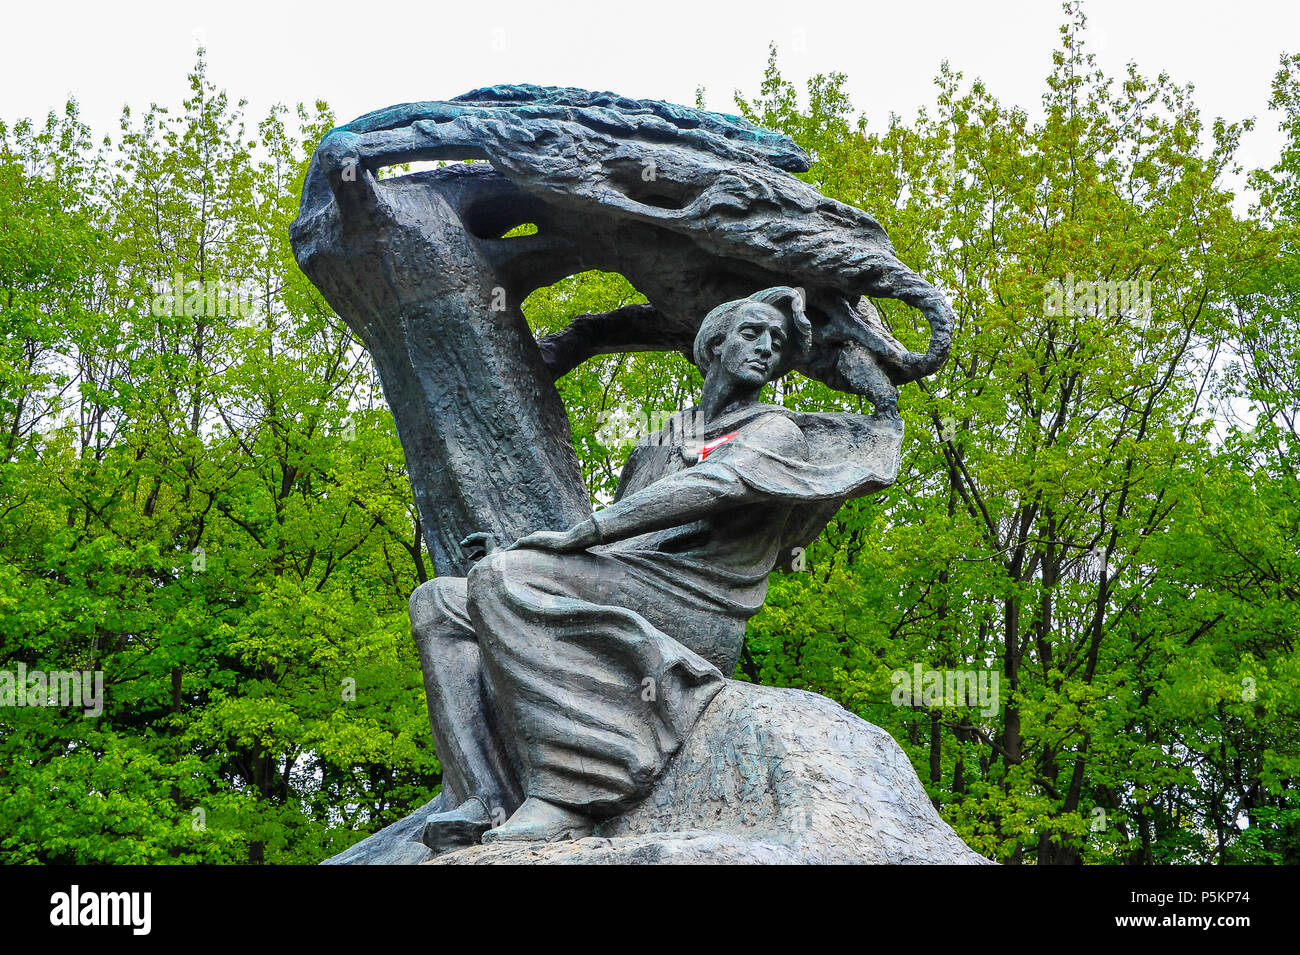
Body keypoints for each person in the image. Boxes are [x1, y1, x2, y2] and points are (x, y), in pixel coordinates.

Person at [411, 287, 903, 851]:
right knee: (440, 600)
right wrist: (516, 555)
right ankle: (486, 797)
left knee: (503, 578)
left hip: (699, 606)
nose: (767, 348)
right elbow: (625, 546)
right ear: (713, 344)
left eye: (778, 341)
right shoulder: (659, 442)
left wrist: (571, 540)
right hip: (638, 584)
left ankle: (571, 792)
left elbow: (718, 483)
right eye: (752, 333)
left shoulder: (775, 431)